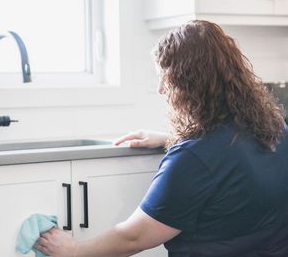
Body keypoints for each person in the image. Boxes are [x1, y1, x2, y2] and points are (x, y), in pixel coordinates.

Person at [33, 20, 288, 257]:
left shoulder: (194, 157)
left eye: (165, 79)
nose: (161, 89)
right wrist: (170, 139)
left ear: (190, 84)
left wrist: (75, 250)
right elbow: (228, 160)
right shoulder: (274, 129)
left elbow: (135, 236)